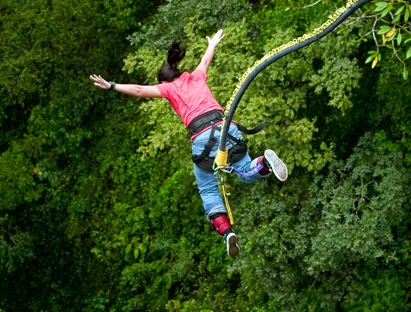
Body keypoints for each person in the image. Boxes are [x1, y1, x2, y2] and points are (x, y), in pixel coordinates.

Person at [89, 29, 287, 258]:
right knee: (245, 170)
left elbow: (140, 90)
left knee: (208, 189)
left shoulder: (168, 88)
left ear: (164, 81)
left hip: (202, 137)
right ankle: (264, 162)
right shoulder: (196, 76)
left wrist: (112, 85)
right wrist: (212, 44)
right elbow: (205, 60)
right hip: (226, 128)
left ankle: (228, 233)